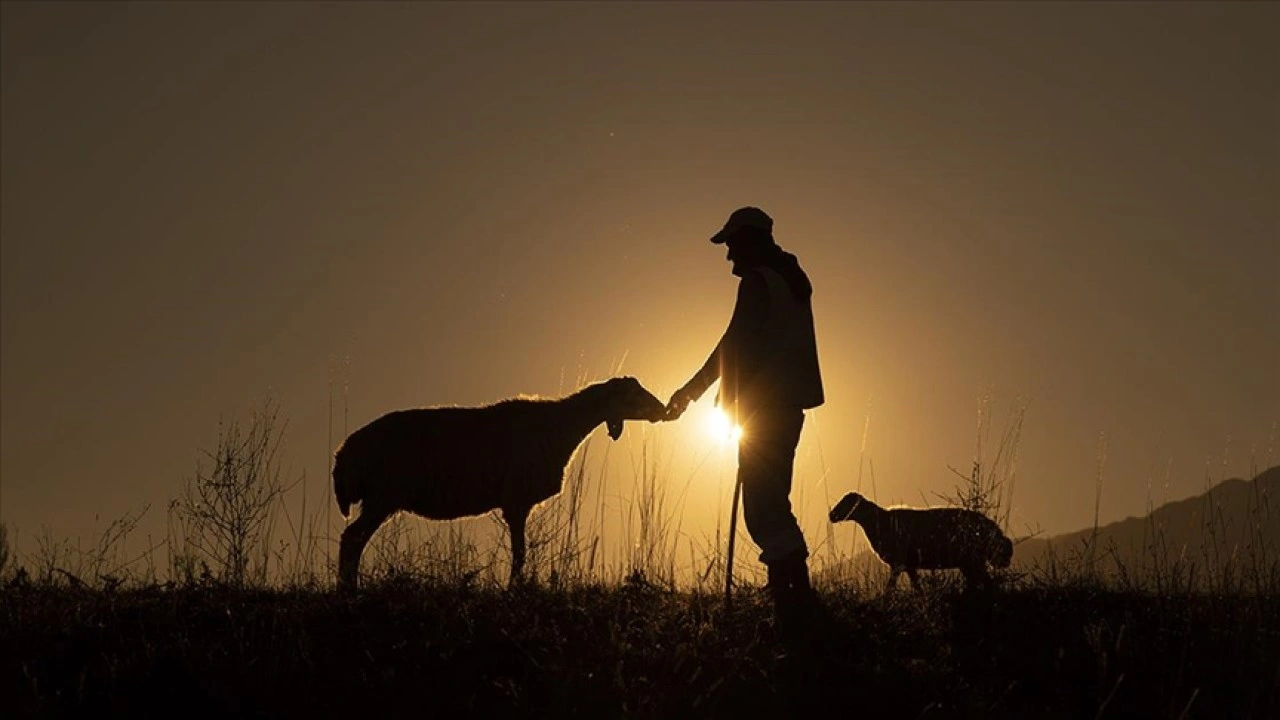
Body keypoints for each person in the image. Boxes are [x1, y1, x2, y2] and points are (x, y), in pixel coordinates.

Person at [665, 206, 826, 636]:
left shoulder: (758, 284)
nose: (728, 255)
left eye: (732, 244)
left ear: (751, 240)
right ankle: (791, 595)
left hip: (764, 409)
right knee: (772, 500)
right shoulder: (791, 282)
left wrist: (690, 393)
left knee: (764, 505)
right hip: (788, 407)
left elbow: (733, 346)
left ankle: (794, 601)